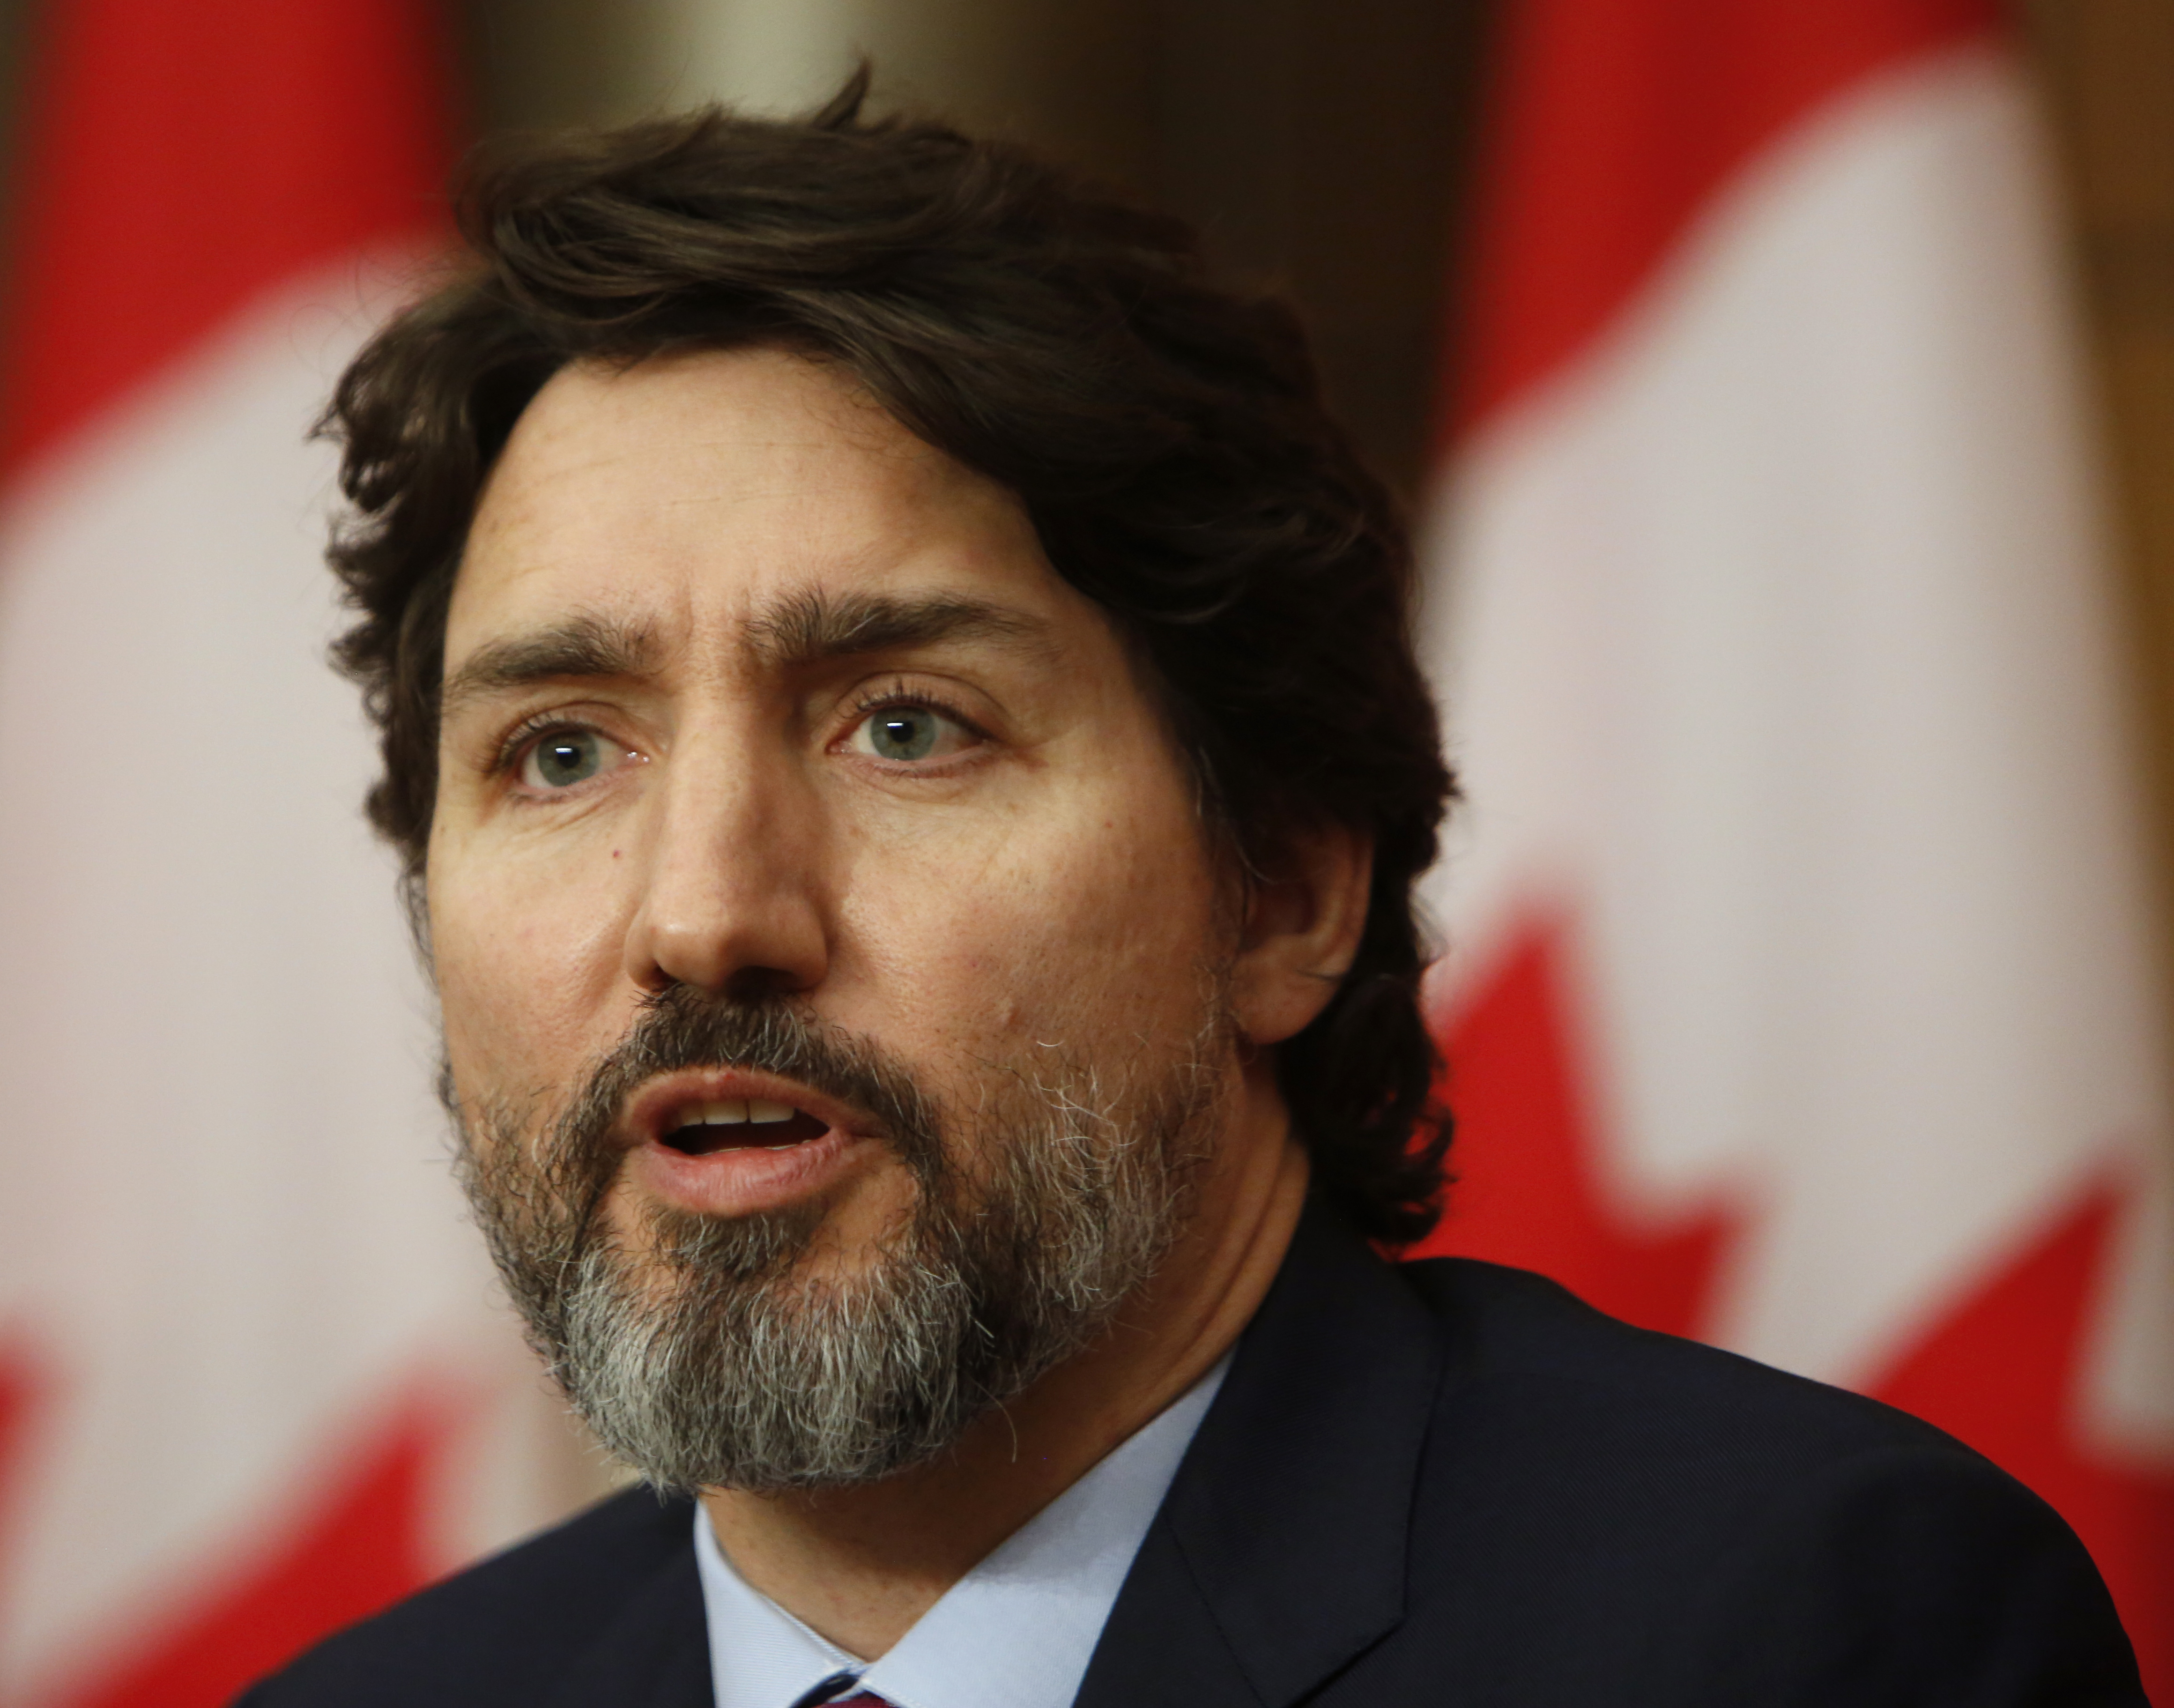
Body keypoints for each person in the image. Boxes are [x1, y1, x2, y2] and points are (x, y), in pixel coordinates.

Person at [242, 76, 2143, 1708]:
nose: (705, 914)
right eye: (562, 753)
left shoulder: (1800, 1637)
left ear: (1285, 892)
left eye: (907, 725)